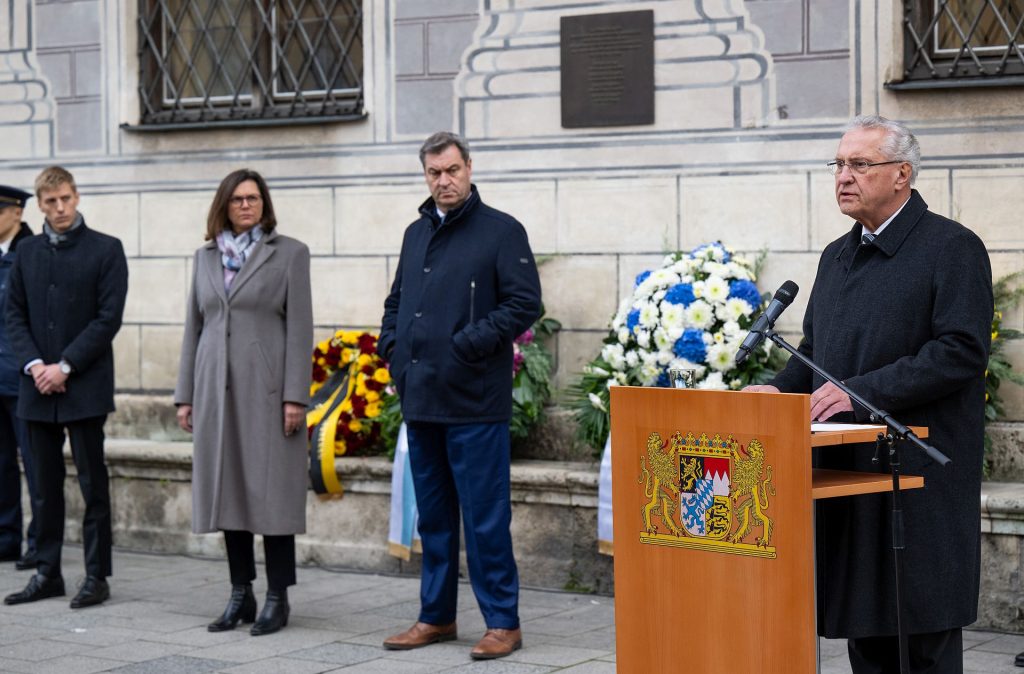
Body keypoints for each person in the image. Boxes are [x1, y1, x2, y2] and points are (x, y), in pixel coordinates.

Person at [746, 116, 992, 673]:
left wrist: (861, 393)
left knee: (920, 632)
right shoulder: (837, 255)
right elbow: (816, 348)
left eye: (860, 164)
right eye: (838, 164)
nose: (843, 177)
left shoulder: (951, 247)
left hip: (917, 472)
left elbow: (960, 350)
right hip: (849, 471)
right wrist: (775, 391)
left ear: (902, 174)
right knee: (867, 631)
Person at [379, 131, 542, 660]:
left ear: (469, 167)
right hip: (421, 397)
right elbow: (398, 299)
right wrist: (392, 348)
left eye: (451, 170)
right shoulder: (414, 233)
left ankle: (503, 622)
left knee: (485, 517)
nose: (443, 181)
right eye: (433, 173)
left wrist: (469, 344)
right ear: (425, 175)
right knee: (433, 518)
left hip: (475, 401)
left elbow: (524, 304)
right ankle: (436, 616)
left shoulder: (501, 231)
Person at [175, 169, 313, 637]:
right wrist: (185, 396)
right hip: (215, 392)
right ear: (224, 206)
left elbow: (301, 329)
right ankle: (241, 592)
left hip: (268, 394)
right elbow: (194, 328)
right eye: (237, 199)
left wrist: (296, 396)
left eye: (254, 198)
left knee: (271, 493)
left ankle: (278, 596)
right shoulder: (205, 257)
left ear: (264, 204)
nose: (246, 206)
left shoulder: (289, 254)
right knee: (228, 490)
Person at [3, 167, 128, 609]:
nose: (59, 209)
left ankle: (97, 575)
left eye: (66, 200)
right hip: (36, 386)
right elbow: (13, 313)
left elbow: (107, 318)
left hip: (85, 385)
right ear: (38, 204)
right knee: (42, 485)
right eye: (50, 202)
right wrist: (36, 364)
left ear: (77, 198)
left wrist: (66, 365)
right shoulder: (28, 253)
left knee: (93, 484)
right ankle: (47, 570)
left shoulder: (106, 249)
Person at [0, 185, 41, 571]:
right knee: (0, 466)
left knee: (35, 463)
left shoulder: (31, 254)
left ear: (17, 213)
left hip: (24, 378)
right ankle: (6, 537)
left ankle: (38, 543)